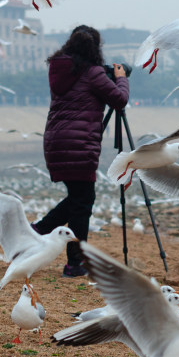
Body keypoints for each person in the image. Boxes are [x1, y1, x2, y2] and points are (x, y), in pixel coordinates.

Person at [34, 25, 129, 277]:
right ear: (94, 48)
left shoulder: (58, 68)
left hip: (56, 143)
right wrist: (121, 78)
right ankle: (74, 263)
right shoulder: (93, 73)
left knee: (79, 199)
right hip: (80, 145)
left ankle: (38, 232)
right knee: (82, 203)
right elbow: (119, 99)